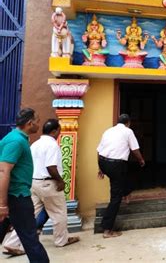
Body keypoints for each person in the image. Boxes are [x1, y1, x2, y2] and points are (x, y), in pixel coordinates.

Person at [3, 119, 80, 254]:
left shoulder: (34, 144)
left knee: (29, 215)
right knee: (59, 213)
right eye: (58, 131)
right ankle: (61, 240)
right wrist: (60, 180)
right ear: (55, 131)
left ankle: (12, 242)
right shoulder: (52, 145)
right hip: (49, 184)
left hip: (34, 183)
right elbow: (51, 166)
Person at [0, 108, 49, 262]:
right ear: (29, 123)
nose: (38, 124)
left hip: (14, 195)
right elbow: (3, 171)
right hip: (17, 196)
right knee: (30, 238)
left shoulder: (18, 138)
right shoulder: (16, 141)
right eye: (37, 121)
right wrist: (2, 204)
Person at [97, 114, 145, 238]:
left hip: (103, 162)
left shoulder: (108, 131)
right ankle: (107, 229)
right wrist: (141, 160)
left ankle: (127, 193)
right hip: (116, 165)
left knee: (124, 175)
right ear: (128, 123)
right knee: (115, 197)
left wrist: (100, 168)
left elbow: (99, 150)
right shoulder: (128, 131)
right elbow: (135, 149)